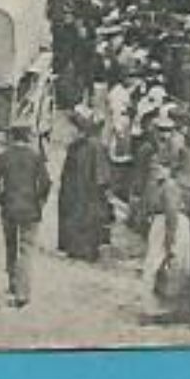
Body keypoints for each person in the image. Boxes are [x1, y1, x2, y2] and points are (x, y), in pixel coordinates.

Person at [0, 124, 51, 307]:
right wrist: (39, 201)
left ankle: (13, 284)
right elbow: (46, 183)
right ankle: (23, 293)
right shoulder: (36, 158)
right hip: (30, 209)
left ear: (12, 138)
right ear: (28, 138)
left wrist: (1, 199)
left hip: (9, 208)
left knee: (10, 246)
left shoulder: (2, 157)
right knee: (26, 249)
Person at [140, 163, 190, 324]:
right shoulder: (159, 185)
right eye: (153, 168)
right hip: (165, 224)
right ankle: (165, 308)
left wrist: (169, 240)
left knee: (159, 264)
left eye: (160, 167)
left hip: (169, 225)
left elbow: (171, 214)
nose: (155, 171)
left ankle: (159, 310)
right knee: (164, 265)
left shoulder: (169, 186)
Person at [57, 106, 111, 262]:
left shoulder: (93, 146)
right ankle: (75, 247)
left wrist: (101, 190)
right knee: (76, 216)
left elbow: (101, 176)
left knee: (87, 218)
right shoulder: (77, 146)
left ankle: (84, 250)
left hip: (88, 192)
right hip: (76, 190)